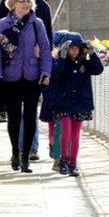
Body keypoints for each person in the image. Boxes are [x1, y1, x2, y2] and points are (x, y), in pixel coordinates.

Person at [0, 0, 53, 160]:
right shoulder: (9, 0)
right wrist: (11, 49)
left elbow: (47, 40)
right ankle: (17, 149)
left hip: (33, 69)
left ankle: (31, 149)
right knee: (16, 112)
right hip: (13, 69)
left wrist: (45, 64)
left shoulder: (43, 8)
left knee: (31, 112)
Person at [51, 32, 104, 177]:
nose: (74, 51)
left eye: (77, 48)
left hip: (80, 103)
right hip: (63, 103)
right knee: (66, 131)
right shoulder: (59, 61)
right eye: (71, 48)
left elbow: (98, 70)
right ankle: (63, 160)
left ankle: (73, 163)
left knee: (75, 135)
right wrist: (61, 57)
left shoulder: (85, 63)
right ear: (65, 49)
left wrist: (92, 53)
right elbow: (55, 74)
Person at [40, 29, 69, 171]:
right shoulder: (53, 60)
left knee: (57, 129)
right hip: (54, 99)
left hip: (55, 98)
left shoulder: (52, 59)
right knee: (56, 129)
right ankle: (57, 157)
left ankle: (57, 153)